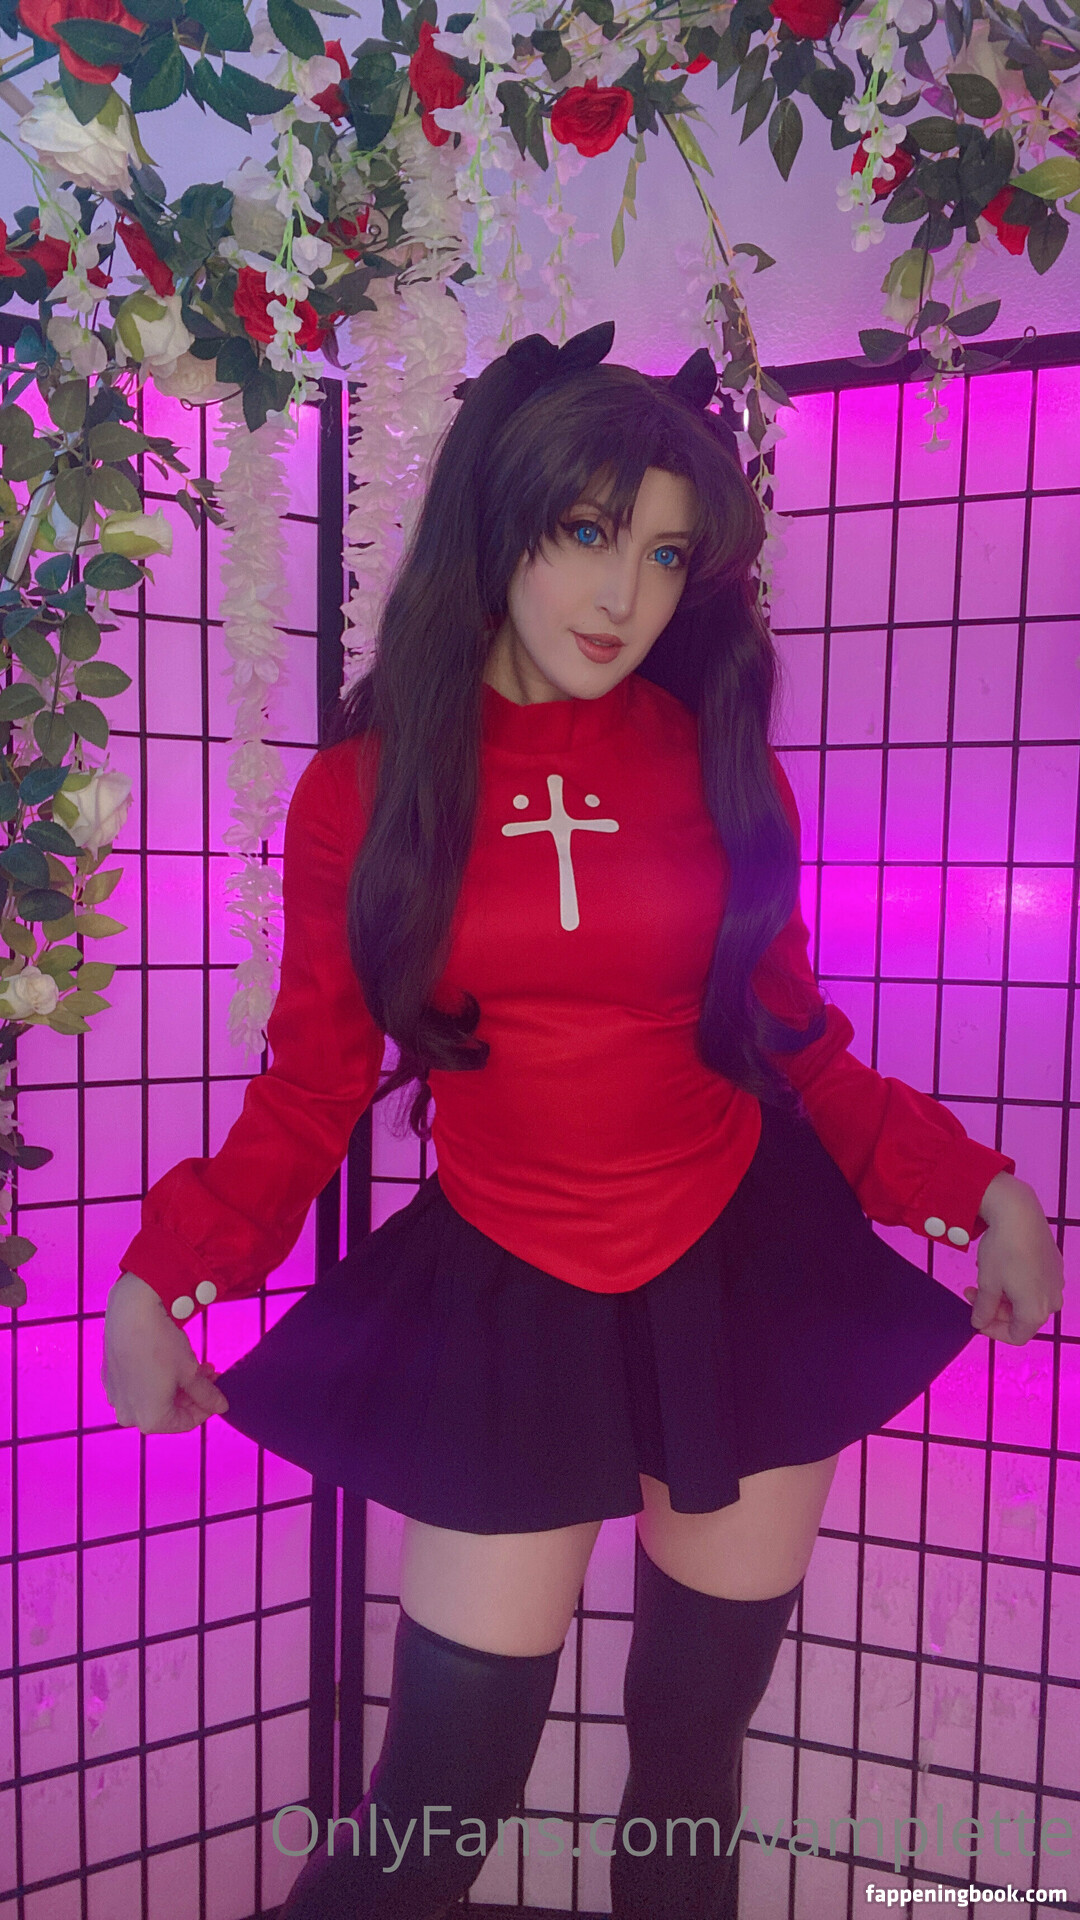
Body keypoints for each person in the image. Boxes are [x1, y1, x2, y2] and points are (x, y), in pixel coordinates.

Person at [102, 321, 1064, 1920]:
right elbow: (316, 1079)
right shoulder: (362, 793)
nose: (625, 595)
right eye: (588, 530)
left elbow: (796, 1044)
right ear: (502, 522)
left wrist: (983, 1193)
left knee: (691, 1755)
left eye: (667, 553)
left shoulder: (718, 761)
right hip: (511, 1278)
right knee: (436, 1805)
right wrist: (166, 1274)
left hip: (745, 1266)